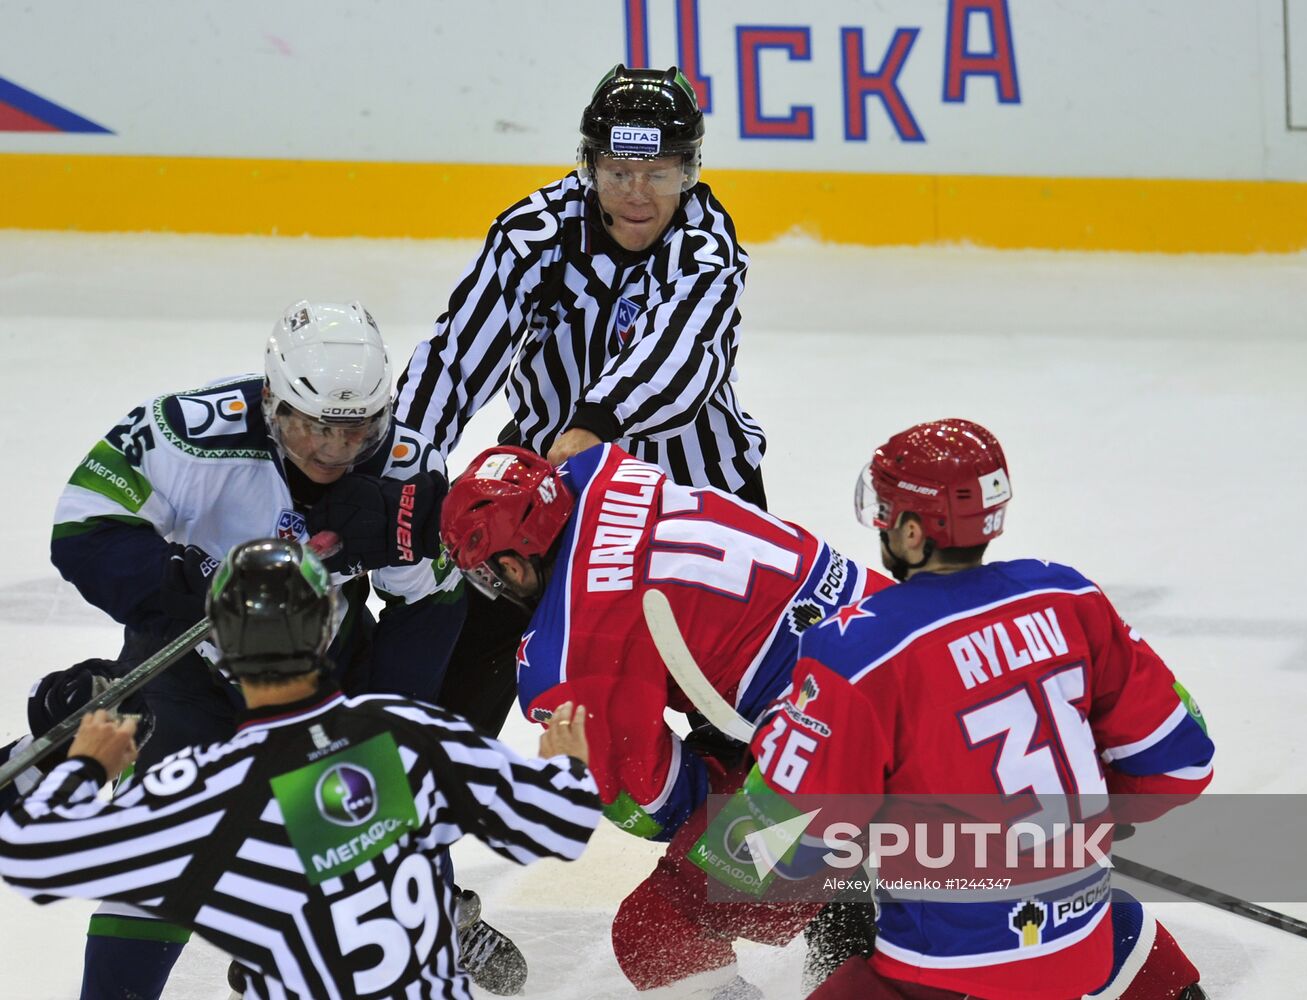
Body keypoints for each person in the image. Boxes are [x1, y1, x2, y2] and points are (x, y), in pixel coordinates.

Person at [47, 301, 467, 999]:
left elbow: (429, 603)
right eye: (314, 427)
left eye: (357, 427)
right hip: (189, 671)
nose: (335, 448)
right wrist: (188, 581)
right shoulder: (188, 432)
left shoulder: (406, 466)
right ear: (272, 400)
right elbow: (83, 524)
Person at [0, 537, 599, 1000]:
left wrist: (73, 758)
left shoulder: (195, 786)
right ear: (325, 633)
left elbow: (30, 846)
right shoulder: (409, 736)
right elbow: (560, 816)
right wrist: (568, 767)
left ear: (226, 650)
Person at [745, 419, 1215, 999]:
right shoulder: (1068, 597)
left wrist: (775, 738)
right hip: (1080, 943)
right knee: (1115, 921)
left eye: (888, 512)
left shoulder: (855, 650)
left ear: (913, 532)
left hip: (944, 970)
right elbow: (1182, 768)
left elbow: (785, 852)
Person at [386, 63, 768, 740]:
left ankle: (728, 828)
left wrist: (593, 423)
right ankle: (402, 806)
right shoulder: (534, 233)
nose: (637, 193)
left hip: (694, 492)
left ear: (690, 170)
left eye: (659, 172)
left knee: (735, 685)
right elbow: (459, 354)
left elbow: (679, 356)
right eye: (616, 170)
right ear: (588, 165)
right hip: (540, 495)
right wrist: (403, 459)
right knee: (463, 653)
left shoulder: (708, 247)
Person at [431, 441, 889, 997]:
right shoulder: (598, 471)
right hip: (919, 662)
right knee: (748, 757)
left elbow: (659, 805)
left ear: (510, 565)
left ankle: (837, 873)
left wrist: (597, 775)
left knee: (656, 932)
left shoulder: (569, 656)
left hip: (849, 752)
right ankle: (851, 915)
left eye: (488, 577)